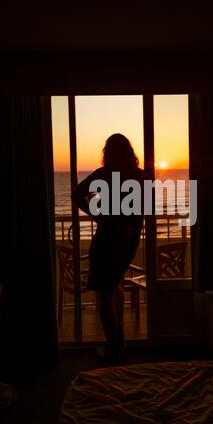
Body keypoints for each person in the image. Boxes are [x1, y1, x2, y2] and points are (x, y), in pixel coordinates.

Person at [71, 133, 144, 364]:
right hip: (127, 242)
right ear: (129, 152)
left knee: (104, 296)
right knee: (115, 285)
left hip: (106, 241)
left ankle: (113, 349)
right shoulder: (140, 177)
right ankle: (119, 336)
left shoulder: (104, 174)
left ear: (107, 152)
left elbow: (76, 194)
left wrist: (97, 213)